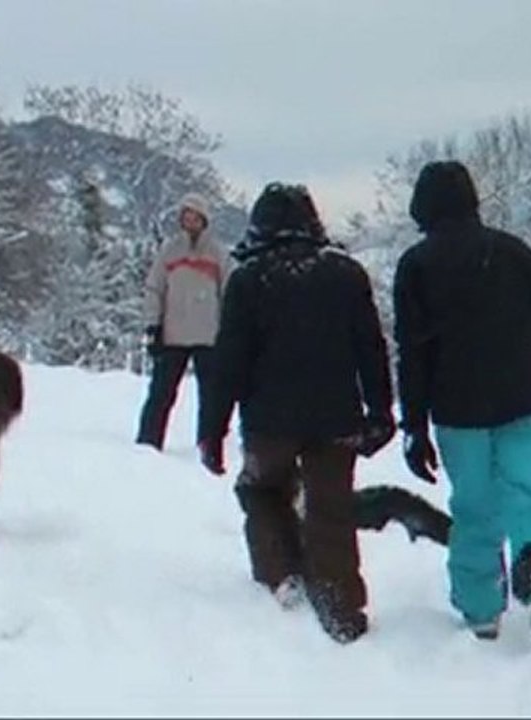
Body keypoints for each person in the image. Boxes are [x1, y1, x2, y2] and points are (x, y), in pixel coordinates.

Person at [198, 182, 395, 644]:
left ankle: (281, 571)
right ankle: (341, 606)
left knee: (261, 490)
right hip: (337, 417)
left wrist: (213, 428)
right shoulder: (345, 274)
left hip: (269, 421)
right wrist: (381, 410)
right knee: (331, 508)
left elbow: (229, 360)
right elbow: (371, 347)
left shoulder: (250, 279)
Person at [393, 160, 531, 648]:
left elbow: (414, 352)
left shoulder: (417, 265)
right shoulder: (517, 254)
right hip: (526, 397)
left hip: (458, 407)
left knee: (474, 505)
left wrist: (414, 425)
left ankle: (481, 609)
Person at [135, 192, 231, 451]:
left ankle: (209, 443)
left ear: (204, 220)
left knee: (211, 398)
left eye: (195, 217)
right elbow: (155, 288)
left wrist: (229, 330)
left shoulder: (217, 253)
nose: (190, 222)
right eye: (186, 217)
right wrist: (153, 325)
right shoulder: (170, 251)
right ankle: (148, 442)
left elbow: (229, 293)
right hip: (172, 334)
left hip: (209, 335)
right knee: (161, 393)